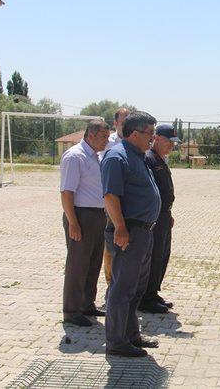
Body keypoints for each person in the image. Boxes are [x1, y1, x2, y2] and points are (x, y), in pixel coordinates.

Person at [101, 111, 161, 358]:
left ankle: (131, 335)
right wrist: (121, 228)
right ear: (135, 134)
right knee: (122, 288)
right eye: (150, 133)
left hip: (143, 232)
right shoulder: (116, 157)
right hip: (128, 233)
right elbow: (110, 196)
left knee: (135, 288)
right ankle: (116, 341)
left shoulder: (139, 156)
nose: (153, 138)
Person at [60, 119, 110, 327]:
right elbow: (66, 192)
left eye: (108, 137)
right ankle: (72, 310)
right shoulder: (75, 156)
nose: (106, 142)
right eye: (103, 137)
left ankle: (87, 303)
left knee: (93, 262)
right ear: (90, 135)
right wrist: (73, 222)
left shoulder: (96, 157)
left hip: (98, 215)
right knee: (78, 264)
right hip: (81, 215)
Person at [140, 124, 179, 314]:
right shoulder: (148, 158)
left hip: (163, 215)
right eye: (169, 141)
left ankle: (154, 292)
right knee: (153, 256)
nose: (172, 146)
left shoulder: (160, 159)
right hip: (154, 217)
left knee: (162, 255)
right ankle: (146, 297)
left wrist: (169, 213)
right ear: (157, 138)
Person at [102, 107, 130, 286]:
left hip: (128, 201)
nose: (126, 125)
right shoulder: (107, 143)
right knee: (110, 246)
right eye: (123, 121)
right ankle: (111, 284)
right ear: (115, 123)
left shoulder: (134, 143)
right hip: (109, 200)